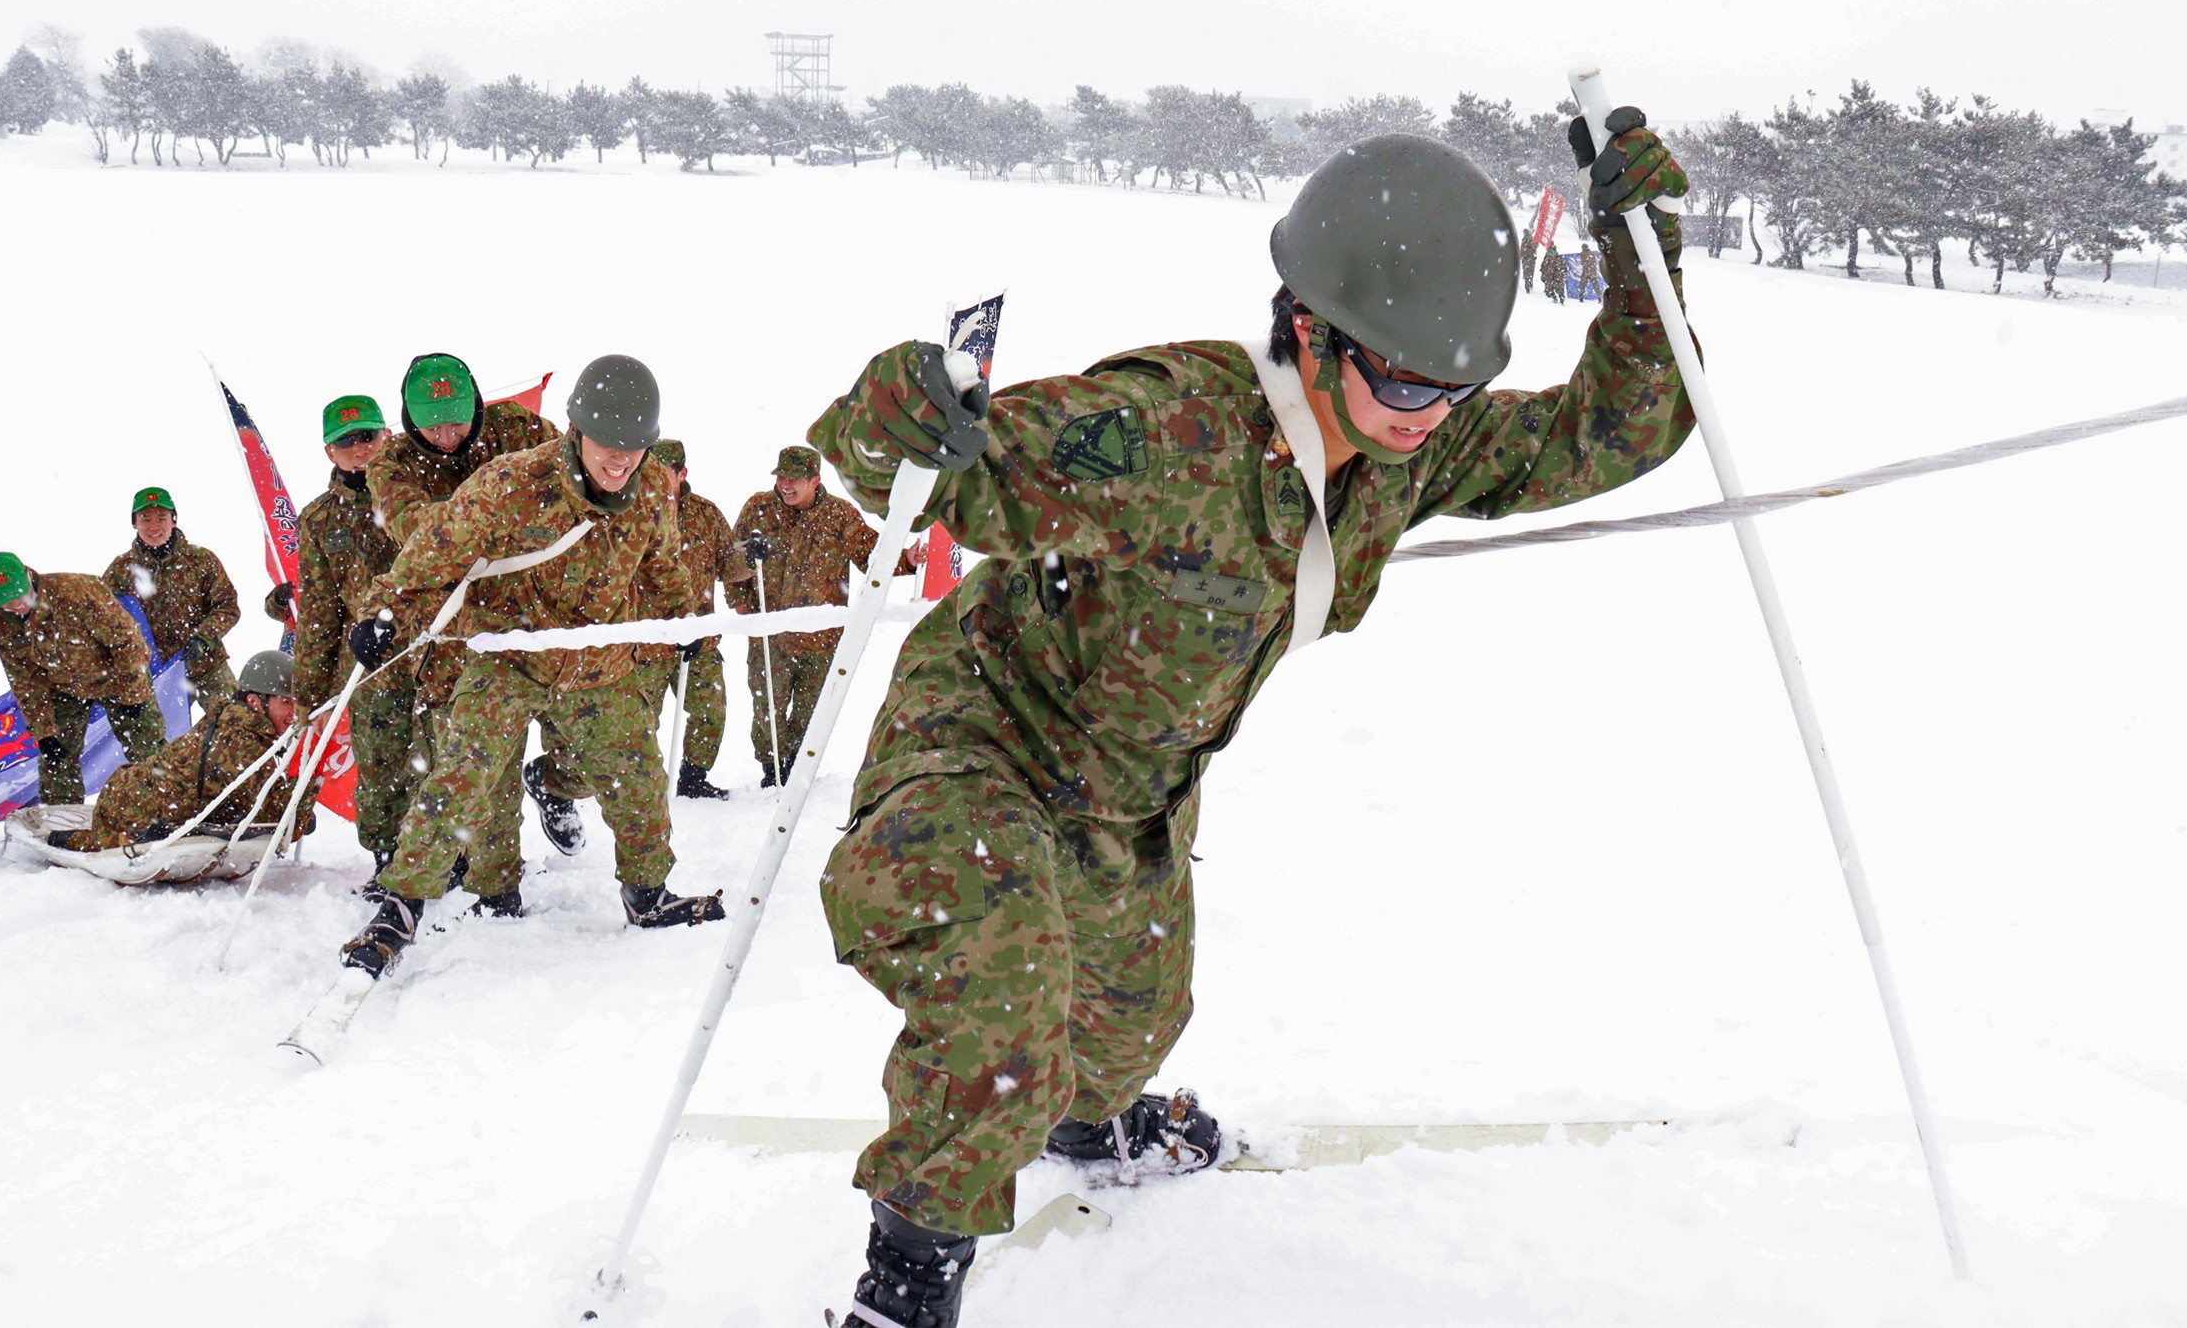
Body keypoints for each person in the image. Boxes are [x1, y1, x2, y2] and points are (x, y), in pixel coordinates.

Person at [803, 115, 1698, 1327]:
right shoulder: (1166, 429)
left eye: (1455, 383)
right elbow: (919, 474)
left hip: (1135, 797)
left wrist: (1648, 262)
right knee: (1004, 1014)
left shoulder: (1407, 453)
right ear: (1314, 333)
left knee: (1128, 1031)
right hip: (984, 745)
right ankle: (903, 1292)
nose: (1429, 410)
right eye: (1402, 376)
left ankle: (1092, 1117)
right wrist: (897, 412)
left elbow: (1619, 429)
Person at [339, 355, 727, 968]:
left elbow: (660, 563)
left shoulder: (653, 488)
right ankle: (401, 906)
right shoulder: (512, 484)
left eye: (634, 447)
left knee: (638, 778)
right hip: (508, 655)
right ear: (576, 430)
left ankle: (647, 893)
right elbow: (429, 552)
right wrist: (381, 611)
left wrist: (685, 616)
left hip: (597, 660)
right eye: (608, 444)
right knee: (463, 777)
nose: (621, 460)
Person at [362, 351, 588, 875]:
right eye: (432, 426)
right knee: (485, 775)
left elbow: (575, 485)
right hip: (457, 637)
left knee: (591, 746)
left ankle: (553, 784)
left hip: (544, 620)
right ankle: (497, 887)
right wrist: (508, 515)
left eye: (458, 422)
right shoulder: (390, 466)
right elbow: (424, 535)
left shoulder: (521, 428)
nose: (447, 437)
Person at [273, 394, 419, 886]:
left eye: (368, 437)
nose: (360, 449)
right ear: (328, 452)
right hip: (368, 668)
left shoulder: (423, 494)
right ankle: (386, 862)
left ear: (388, 437)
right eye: (346, 441)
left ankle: (453, 860)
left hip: (433, 655)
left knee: (443, 761)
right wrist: (309, 693)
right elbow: (317, 613)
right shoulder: (317, 520)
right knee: (380, 770)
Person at [726, 447, 919, 789]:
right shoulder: (758, 508)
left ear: (815, 479)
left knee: (810, 710)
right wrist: (740, 603)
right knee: (767, 707)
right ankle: (773, 771)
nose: (785, 485)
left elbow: (871, 555)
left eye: (794, 479)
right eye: (781, 477)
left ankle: (797, 764)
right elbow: (730, 560)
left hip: (820, 636)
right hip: (768, 632)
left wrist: (908, 560)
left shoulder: (839, 515)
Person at [50, 649, 315, 851]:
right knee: (123, 844)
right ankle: (65, 839)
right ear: (255, 702)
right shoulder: (240, 745)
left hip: (131, 793)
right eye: (285, 702)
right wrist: (314, 772)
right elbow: (284, 826)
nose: (294, 714)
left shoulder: (238, 721)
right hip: (129, 813)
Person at [0, 552, 165, 804]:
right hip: (64, 688)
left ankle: (169, 806)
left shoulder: (77, 592)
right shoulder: (0, 620)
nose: (14, 607)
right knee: (56, 760)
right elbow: (24, 678)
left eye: (17, 596)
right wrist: (44, 732)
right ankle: (62, 823)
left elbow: (128, 643)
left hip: (116, 677)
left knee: (148, 748)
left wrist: (135, 695)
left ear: (29, 576)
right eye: (5, 603)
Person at [642, 439, 754, 799]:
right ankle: (640, 790)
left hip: (700, 639)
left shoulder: (706, 514)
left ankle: (693, 778)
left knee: (711, 710)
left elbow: (728, 567)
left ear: (682, 474)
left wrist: (750, 558)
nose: (655, 480)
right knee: (639, 725)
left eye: (664, 474)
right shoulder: (630, 510)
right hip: (646, 642)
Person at [103, 487, 242, 713]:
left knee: (234, 723)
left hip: (207, 666)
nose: (154, 526)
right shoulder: (120, 571)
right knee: (164, 742)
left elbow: (227, 607)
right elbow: (105, 621)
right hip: (158, 676)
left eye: (162, 518)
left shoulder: (201, 560)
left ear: (174, 520)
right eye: (146, 519)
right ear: (135, 523)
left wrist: (203, 639)